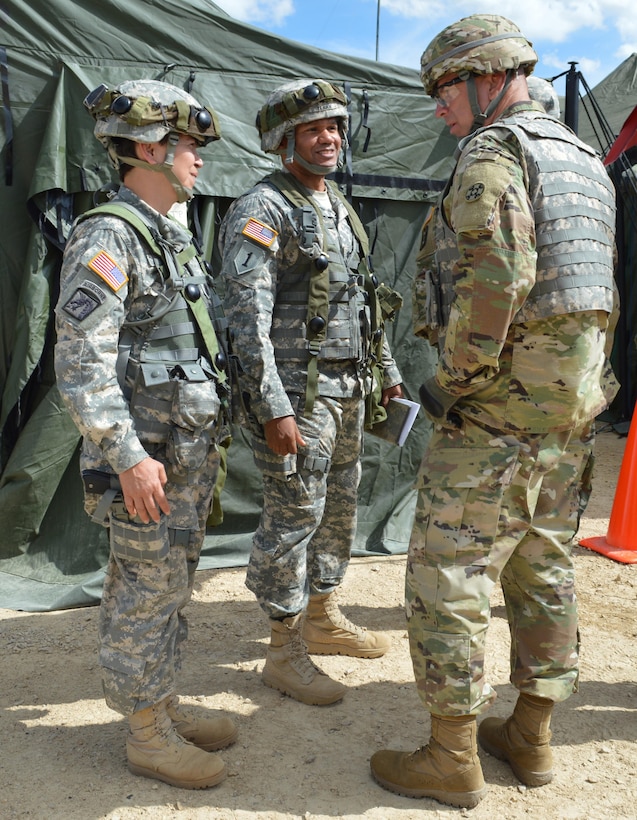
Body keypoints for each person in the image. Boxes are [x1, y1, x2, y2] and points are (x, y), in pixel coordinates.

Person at [370, 14, 618, 808]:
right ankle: (532, 737)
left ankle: (449, 757)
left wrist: (456, 380)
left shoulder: (493, 152)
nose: (437, 107)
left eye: (442, 89)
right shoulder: (580, 157)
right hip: (569, 411)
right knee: (543, 566)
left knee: (449, 573)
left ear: (484, 78)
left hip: (498, 414)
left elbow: (496, 277)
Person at [54, 79, 237, 790]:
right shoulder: (108, 234)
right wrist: (125, 457)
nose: (198, 161)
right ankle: (145, 735)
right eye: (190, 147)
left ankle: (160, 700)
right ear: (154, 149)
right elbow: (80, 359)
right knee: (141, 589)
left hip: (183, 454)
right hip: (145, 461)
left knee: (171, 585)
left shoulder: (171, 232)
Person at [219, 79, 403, 707]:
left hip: (349, 389)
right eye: (314, 129)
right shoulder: (262, 210)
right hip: (299, 396)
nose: (329, 139)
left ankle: (321, 616)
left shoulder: (338, 206)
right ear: (282, 140)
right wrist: (274, 408)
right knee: (294, 515)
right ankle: (282, 648)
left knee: (339, 509)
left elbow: (365, 298)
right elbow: (244, 315)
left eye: (335, 127)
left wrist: (388, 368)